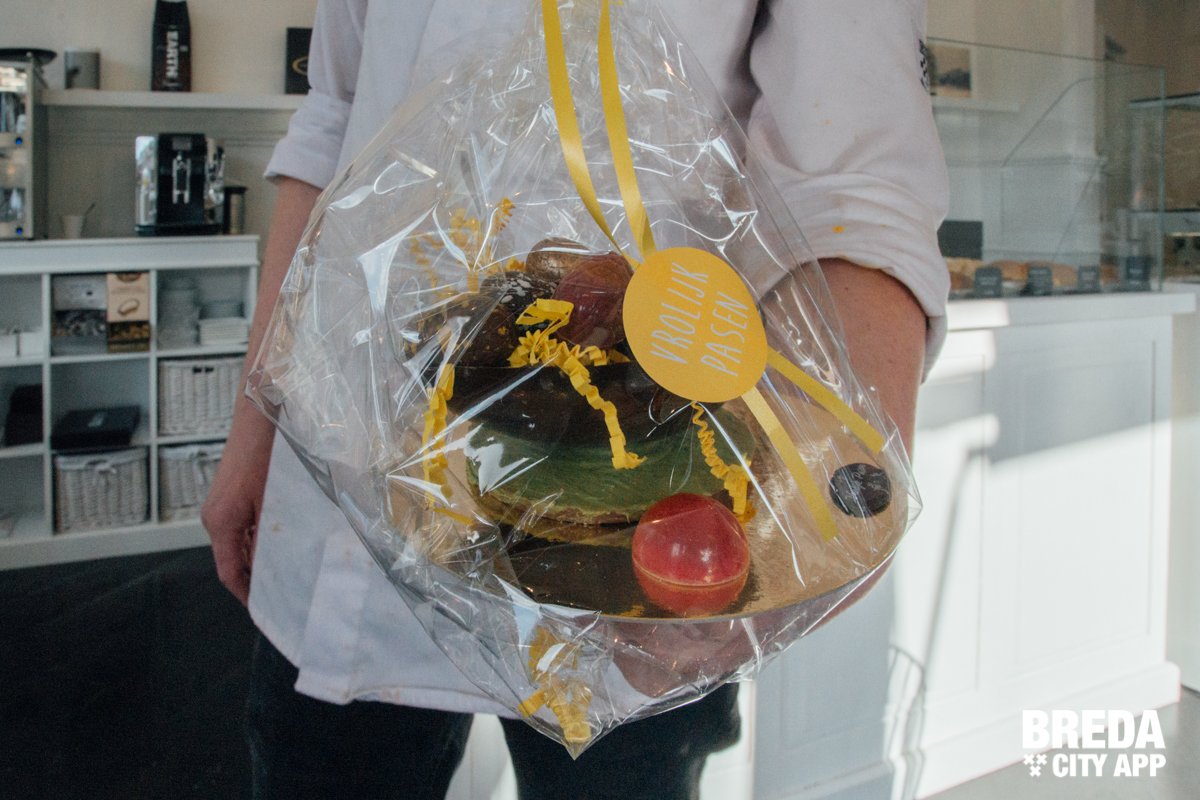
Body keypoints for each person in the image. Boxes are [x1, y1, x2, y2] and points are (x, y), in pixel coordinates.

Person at [201, 1, 949, 797]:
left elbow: (855, 178)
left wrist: (820, 516)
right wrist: (254, 429)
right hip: (339, 492)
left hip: (637, 539)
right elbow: (335, 115)